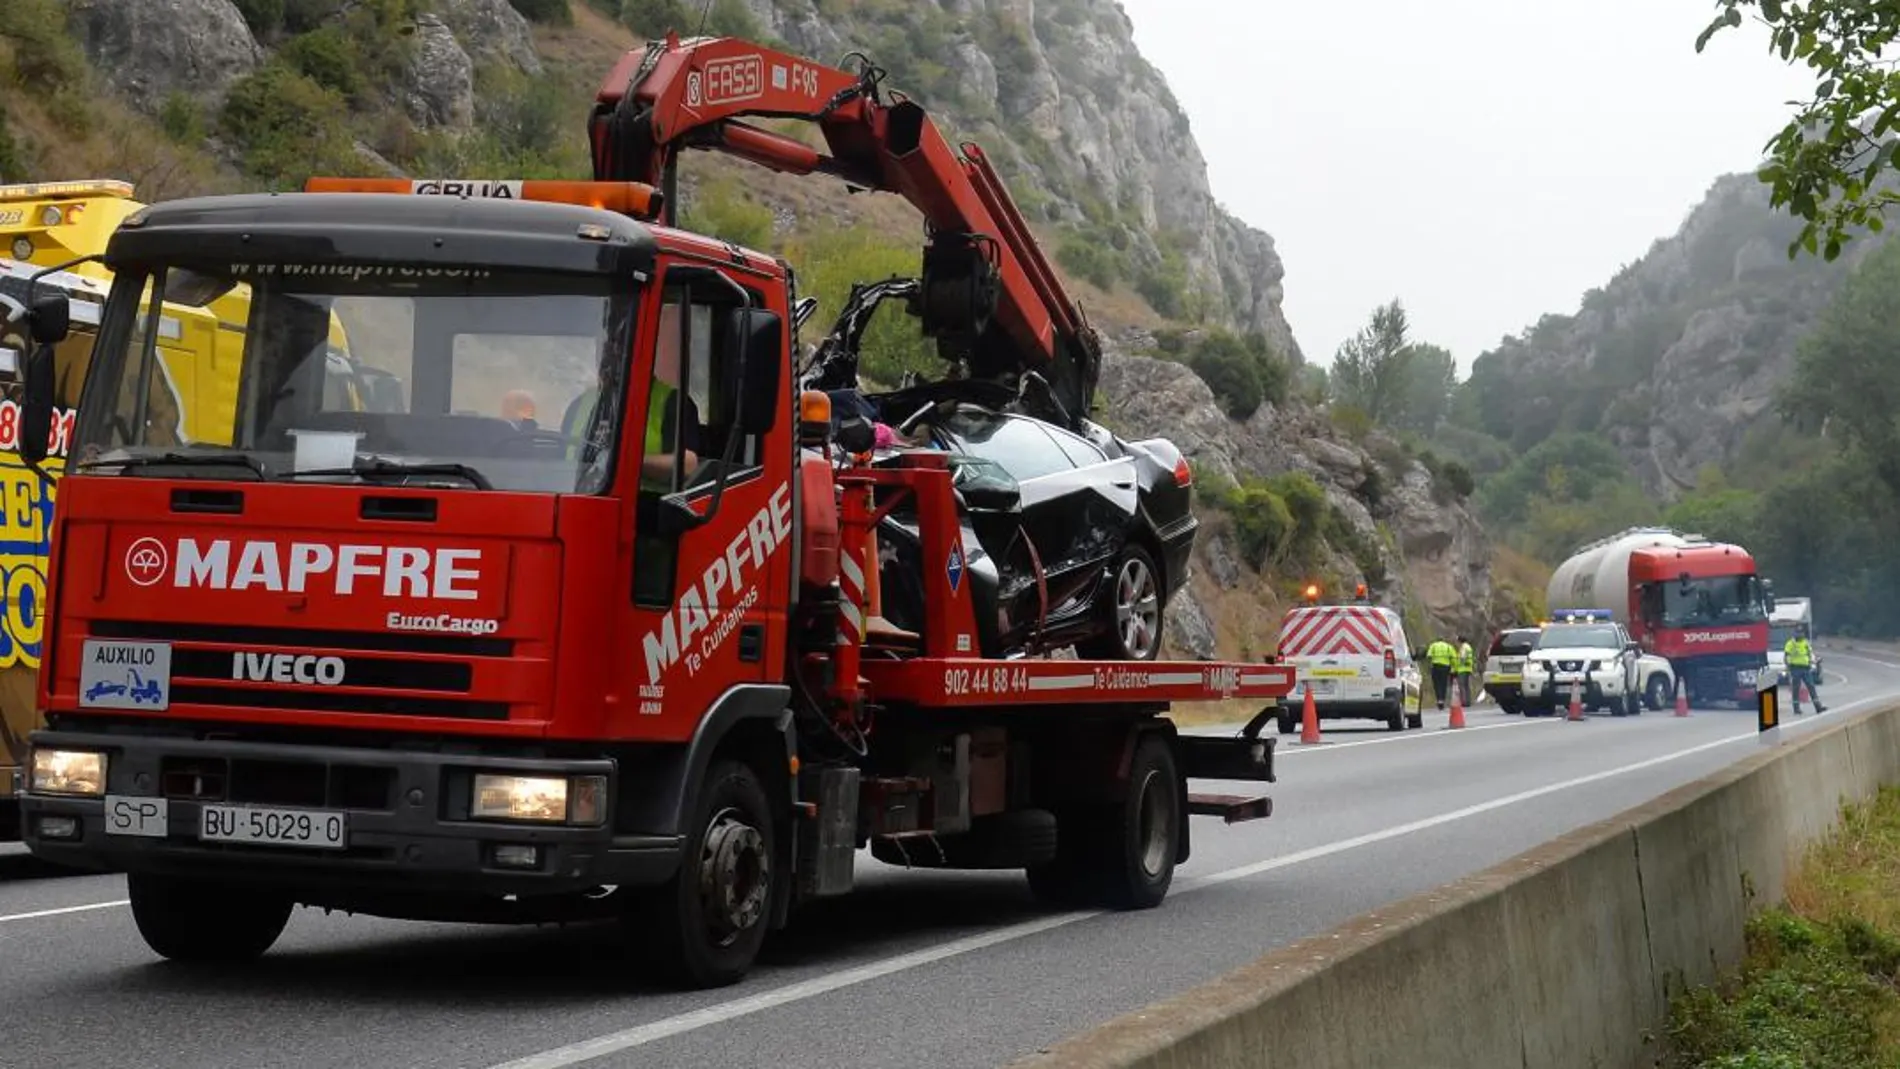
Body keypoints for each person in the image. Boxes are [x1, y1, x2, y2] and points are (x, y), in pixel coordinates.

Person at [1785, 623, 1826, 714]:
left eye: (1801, 633)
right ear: (1794, 633)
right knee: (1796, 689)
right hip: (1795, 668)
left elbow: (1810, 654)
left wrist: (1815, 661)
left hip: (1805, 668)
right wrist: (1788, 668)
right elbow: (1786, 656)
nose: (1800, 634)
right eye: (1798, 632)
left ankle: (1818, 707)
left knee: (1811, 687)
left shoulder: (1805, 642)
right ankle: (1796, 709)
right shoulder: (1790, 643)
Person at [1425, 635, 1455, 711]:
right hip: (1445, 667)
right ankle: (1443, 700)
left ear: (1437, 640)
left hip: (1436, 666)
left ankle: (1439, 700)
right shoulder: (1448, 647)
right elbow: (1453, 657)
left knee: (1437, 684)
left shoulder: (1433, 645)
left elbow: (1428, 656)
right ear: (1444, 640)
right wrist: (1453, 668)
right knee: (1444, 684)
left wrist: (1429, 666)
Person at [1453, 634, 1475, 707]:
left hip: (1463, 669)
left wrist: (1459, 664)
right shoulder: (1468, 646)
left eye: (1457, 641)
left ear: (1460, 641)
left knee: (1462, 686)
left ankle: (1464, 702)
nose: (1457, 643)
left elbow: (1462, 657)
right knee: (1466, 686)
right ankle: (1468, 701)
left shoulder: (1463, 647)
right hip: (1468, 668)